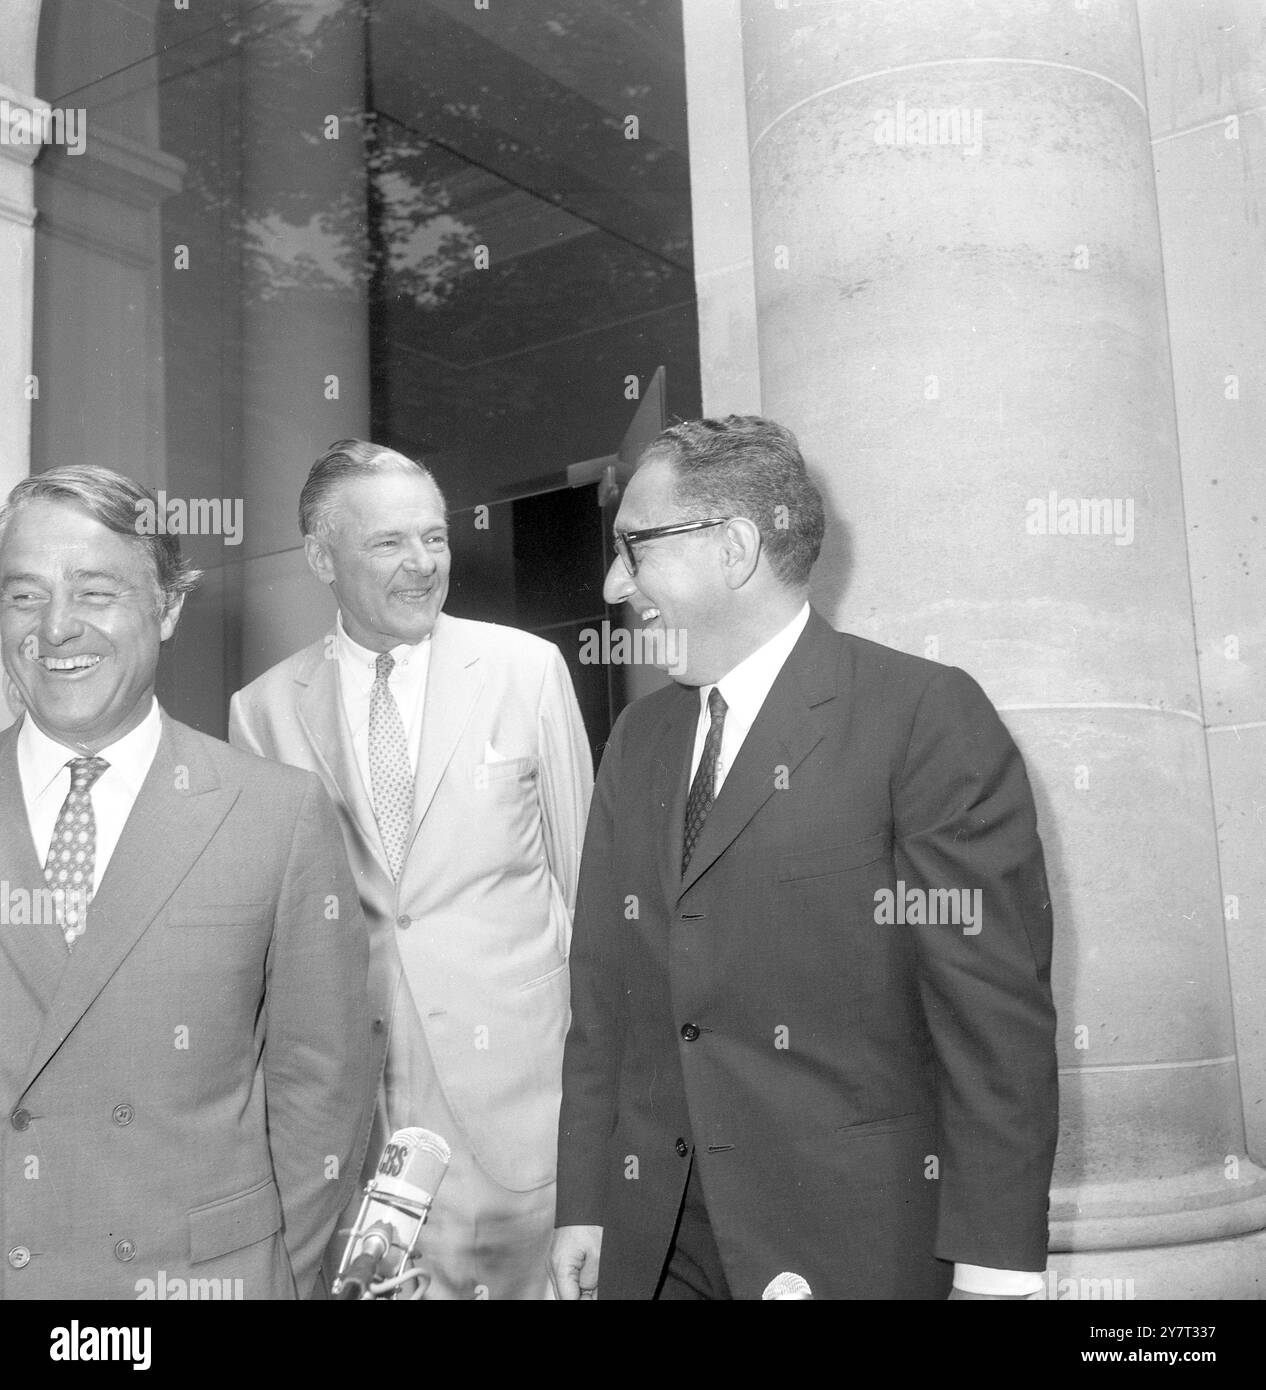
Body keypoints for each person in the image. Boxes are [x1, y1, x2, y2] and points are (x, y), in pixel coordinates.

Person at [549, 416, 1058, 1301]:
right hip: (659, 1254)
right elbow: (603, 1005)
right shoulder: (637, 741)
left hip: (856, 1251)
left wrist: (997, 1274)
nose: (613, 582)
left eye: (634, 547)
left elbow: (993, 1028)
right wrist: (585, 1203)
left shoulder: (924, 718)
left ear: (735, 546)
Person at [230, 440, 593, 1300]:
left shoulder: (526, 671)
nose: (424, 564)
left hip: (527, 1124)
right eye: (390, 543)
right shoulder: (262, 713)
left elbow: (588, 894)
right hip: (362, 1137)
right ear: (322, 557)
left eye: (434, 538)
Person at [0, 466, 370, 1300]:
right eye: (23, 597)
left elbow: (326, 1087)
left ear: (167, 607)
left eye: (94, 592)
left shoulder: (274, 814)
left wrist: (267, 1273)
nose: (56, 628)